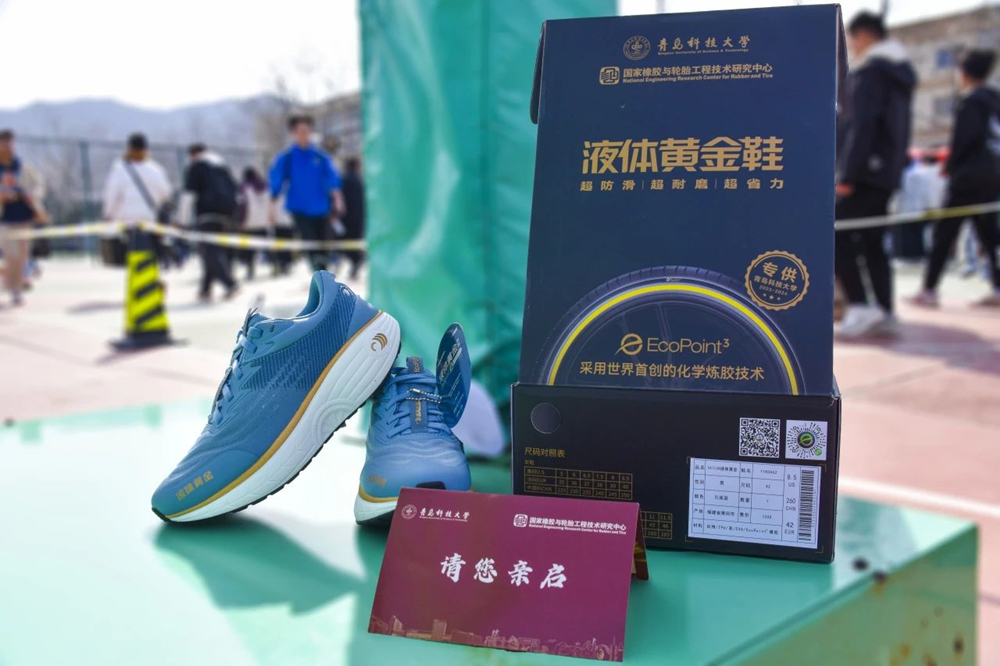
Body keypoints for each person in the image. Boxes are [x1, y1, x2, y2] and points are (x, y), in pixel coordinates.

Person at [834, 12, 916, 338]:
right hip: (885, 172)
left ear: (865, 36)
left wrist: (847, 174)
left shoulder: (872, 71)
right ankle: (884, 309)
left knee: (837, 233)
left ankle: (860, 305)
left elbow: (863, 125)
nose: (853, 47)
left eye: (852, 39)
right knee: (872, 242)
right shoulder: (898, 74)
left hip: (865, 172)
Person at [912, 49, 1000, 308]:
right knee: (988, 234)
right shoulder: (994, 101)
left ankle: (929, 289)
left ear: (965, 73)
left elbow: (965, 139)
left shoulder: (971, 101)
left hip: (968, 178)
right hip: (993, 174)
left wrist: (949, 166)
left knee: (945, 232)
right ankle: (997, 287)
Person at [268, 115, 345, 272]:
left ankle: (324, 275)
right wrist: (271, 210)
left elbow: (332, 178)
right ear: (293, 133)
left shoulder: (320, 156)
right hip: (299, 210)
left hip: (321, 209)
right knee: (311, 246)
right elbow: (276, 184)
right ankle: (319, 274)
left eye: (307, 130)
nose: (304, 134)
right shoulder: (287, 158)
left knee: (323, 247)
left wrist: (338, 199)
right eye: (300, 131)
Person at [101, 133, 173, 264]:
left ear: (129, 149)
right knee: (150, 258)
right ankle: (147, 275)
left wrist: (108, 215)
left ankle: (138, 274)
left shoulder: (120, 169)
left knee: (133, 258)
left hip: (127, 222)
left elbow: (111, 195)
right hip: (151, 220)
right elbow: (166, 194)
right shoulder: (155, 170)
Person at [183, 143, 239, 301]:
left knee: (209, 252)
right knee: (213, 250)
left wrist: (183, 221)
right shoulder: (222, 166)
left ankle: (230, 284)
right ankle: (205, 289)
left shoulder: (197, 166)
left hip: (207, 214)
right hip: (227, 215)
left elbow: (189, 195)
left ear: (193, 154)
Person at [0, 129, 47, 305]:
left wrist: (33, 195)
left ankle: (16, 287)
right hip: (4, 220)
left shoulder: (24, 167)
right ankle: (15, 289)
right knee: (11, 254)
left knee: (21, 256)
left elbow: (39, 184)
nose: (8, 147)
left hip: (24, 218)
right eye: (4, 143)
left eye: (11, 143)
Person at [236, 167, 269, 280]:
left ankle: (250, 269)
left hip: (249, 223)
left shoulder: (244, 188)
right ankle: (277, 264)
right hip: (264, 222)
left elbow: (242, 206)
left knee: (249, 249)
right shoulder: (265, 186)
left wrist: (240, 221)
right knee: (268, 245)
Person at [340, 156, 366, 279]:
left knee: (347, 243)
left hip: (346, 218)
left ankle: (356, 261)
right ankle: (357, 261)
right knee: (355, 243)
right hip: (359, 217)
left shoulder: (344, 180)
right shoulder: (360, 181)